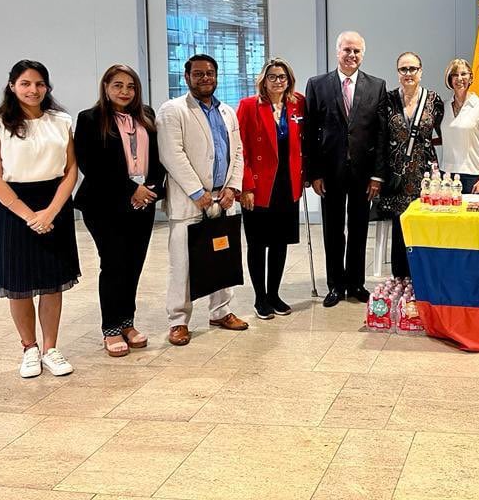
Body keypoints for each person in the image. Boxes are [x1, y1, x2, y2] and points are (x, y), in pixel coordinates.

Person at [0, 60, 78, 378]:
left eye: (39, 84)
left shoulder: (61, 121)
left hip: (54, 202)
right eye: (25, 83)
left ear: (47, 87)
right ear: (12, 86)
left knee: (52, 282)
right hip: (13, 207)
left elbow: (70, 170)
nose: (33, 90)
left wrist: (50, 212)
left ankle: (50, 348)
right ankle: (29, 348)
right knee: (18, 283)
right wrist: (29, 215)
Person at [74, 64, 166, 357]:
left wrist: (150, 189)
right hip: (104, 205)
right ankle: (111, 327)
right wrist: (130, 189)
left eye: (131, 86)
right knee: (114, 264)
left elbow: (159, 158)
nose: (125, 91)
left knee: (134, 264)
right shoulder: (90, 119)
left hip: (143, 202)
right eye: (118, 85)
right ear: (105, 87)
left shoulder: (146, 115)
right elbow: (90, 164)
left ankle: (128, 322)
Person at [157, 54, 249, 346]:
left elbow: (237, 152)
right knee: (183, 264)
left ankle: (221, 311)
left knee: (222, 257)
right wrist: (198, 192)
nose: (205, 78)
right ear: (187, 77)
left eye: (209, 73)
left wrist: (233, 188)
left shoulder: (227, 112)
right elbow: (171, 154)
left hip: (223, 198)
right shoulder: (173, 110)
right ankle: (178, 320)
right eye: (198, 74)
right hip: (190, 201)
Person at [305, 31, 387, 308]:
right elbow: (310, 133)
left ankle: (356, 283)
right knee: (332, 229)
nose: (352, 55)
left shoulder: (377, 86)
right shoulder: (317, 85)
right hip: (330, 172)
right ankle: (335, 285)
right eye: (347, 50)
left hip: (364, 174)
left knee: (359, 228)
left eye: (357, 51)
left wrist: (377, 175)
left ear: (363, 54)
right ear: (337, 51)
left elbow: (380, 134)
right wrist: (314, 173)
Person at [237, 58, 306, 320]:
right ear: (263, 80)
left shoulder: (297, 103)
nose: (278, 81)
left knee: (280, 243)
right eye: (273, 77)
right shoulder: (248, 106)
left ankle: (274, 294)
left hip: (287, 185)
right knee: (258, 244)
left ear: (289, 80)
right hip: (259, 186)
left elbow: (304, 141)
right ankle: (260, 298)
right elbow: (240, 148)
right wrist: (246, 186)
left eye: (283, 77)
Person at [377, 52, 444, 277]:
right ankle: (400, 276)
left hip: (425, 175)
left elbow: (443, 132)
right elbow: (380, 137)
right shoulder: (387, 99)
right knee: (399, 225)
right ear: (397, 73)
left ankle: (424, 276)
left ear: (421, 71)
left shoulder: (433, 100)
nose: (408, 73)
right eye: (403, 69)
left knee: (425, 223)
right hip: (397, 175)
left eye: (412, 68)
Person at [439, 58, 479, 194]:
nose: (460, 78)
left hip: (472, 175)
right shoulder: (443, 107)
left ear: (471, 77)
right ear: (450, 80)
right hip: (446, 175)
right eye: (455, 75)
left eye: (464, 74)